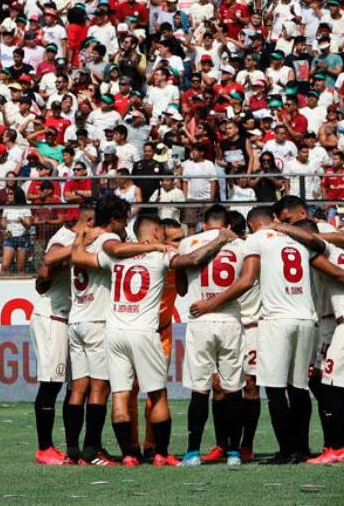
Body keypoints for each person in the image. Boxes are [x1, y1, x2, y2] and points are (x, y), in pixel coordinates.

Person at [67, 196, 168, 466]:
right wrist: (154, 245)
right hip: (99, 320)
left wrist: (79, 237)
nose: (125, 226)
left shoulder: (84, 238)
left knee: (79, 388)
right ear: (114, 220)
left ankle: (72, 451)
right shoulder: (107, 240)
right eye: (124, 219)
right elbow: (113, 247)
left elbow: (73, 257)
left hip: (77, 317)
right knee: (101, 390)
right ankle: (92, 451)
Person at [277, 220, 344, 464]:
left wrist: (280, 227)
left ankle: (335, 448)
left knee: (329, 384)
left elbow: (336, 273)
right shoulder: (342, 251)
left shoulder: (321, 250)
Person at [172, 205, 246, 467]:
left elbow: (181, 290)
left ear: (203, 223)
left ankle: (192, 452)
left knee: (200, 388)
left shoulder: (187, 243)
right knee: (233, 387)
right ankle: (234, 453)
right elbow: (245, 282)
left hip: (200, 319)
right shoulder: (240, 245)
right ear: (226, 224)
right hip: (230, 320)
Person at [30, 200, 94, 465]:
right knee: (51, 383)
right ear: (89, 221)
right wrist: (80, 245)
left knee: (74, 386)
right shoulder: (65, 237)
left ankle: (72, 448)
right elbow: (48, 262)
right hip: (53, 317)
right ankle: (44, 447)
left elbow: (43, 278)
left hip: (71, 319)